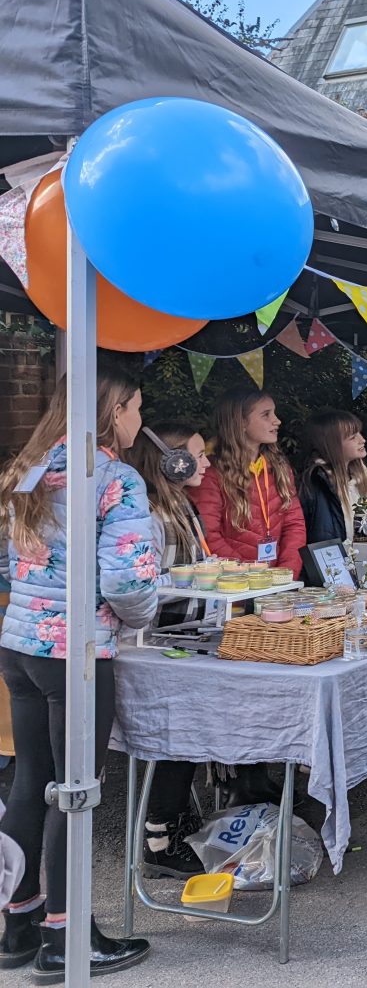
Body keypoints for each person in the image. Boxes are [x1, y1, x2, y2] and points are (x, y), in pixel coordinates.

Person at [0, 371, 154, 978]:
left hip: (19, 646)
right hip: (78, 652)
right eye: (137, 408)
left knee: (30, 780)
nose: (141, 421)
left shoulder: (26, 471)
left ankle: (18, 924)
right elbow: (128, 581)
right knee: (77, 791)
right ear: (114, 410)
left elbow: (8, 568)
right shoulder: (115, 479)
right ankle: (67, 939)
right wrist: (139, 614)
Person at [126, 422, 214, 880]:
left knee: (191, 730)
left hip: (187, 637)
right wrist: (192, 580)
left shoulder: (181, 507)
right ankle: (159, 838)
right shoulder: (152, 517)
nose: (206, 463)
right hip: (158, 645)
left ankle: (179, 818)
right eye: (198, 456)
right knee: (176, 736)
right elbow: (145, 584)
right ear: (171, 462)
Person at [190, 389, 307, 574]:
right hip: (233, 587)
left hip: (275, 584)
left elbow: (295, 525)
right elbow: (208, 536)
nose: (277, 420)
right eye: (266, 414)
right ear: (241, 422)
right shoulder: (211, 473)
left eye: (274, 413)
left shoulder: (279, 468)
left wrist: (286, 573)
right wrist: (250, 574)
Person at [297, 409, 367, 574]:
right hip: (327, 578)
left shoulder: (360, 479)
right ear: (333, 445)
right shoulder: (313, 482)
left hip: (356, 572)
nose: (362, 440)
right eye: (353, 437)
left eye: (359, 433)